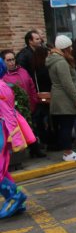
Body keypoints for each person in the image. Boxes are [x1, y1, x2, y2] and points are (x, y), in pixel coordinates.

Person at [0, 57, 36, 219]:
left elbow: (7, 114)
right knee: (2, 170)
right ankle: (16, 201)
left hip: (2, 133)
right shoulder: (3, 86)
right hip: (4, 133)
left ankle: (14, 198)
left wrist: (14, 137)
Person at [46, 35, 76, 162]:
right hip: (64, 98)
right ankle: (68, 152)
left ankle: (68, 151)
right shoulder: (61, 62)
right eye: (70, 46)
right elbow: (67, 83)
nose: (72, 48)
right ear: (65, 48)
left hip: (59, 97)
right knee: (67, 126)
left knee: (65, 125)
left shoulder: (55, 59)